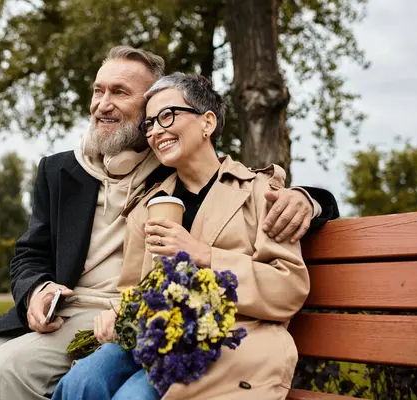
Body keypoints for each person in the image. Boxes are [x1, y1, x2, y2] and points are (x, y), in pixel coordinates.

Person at [0, 47, 338, 400]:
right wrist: (35, 290)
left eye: (120, 92)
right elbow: (32, 254)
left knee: (15, 368)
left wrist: (312, 199)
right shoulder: (67, 172)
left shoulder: (171, 168)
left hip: (195, 330)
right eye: (98, 91)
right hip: (76, 315)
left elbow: (254, 185)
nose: (103, 104)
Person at [53, 73, 313, 400]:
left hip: (234, 341)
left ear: (207, 123)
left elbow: (288, 289)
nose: (156, 131)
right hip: (154, 339)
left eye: (167, 116)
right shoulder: (146, 207)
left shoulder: (261, 194)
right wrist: (117, 314)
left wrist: (203, 255)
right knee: (80, 383)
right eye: (149, 124)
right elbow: (132, 292)